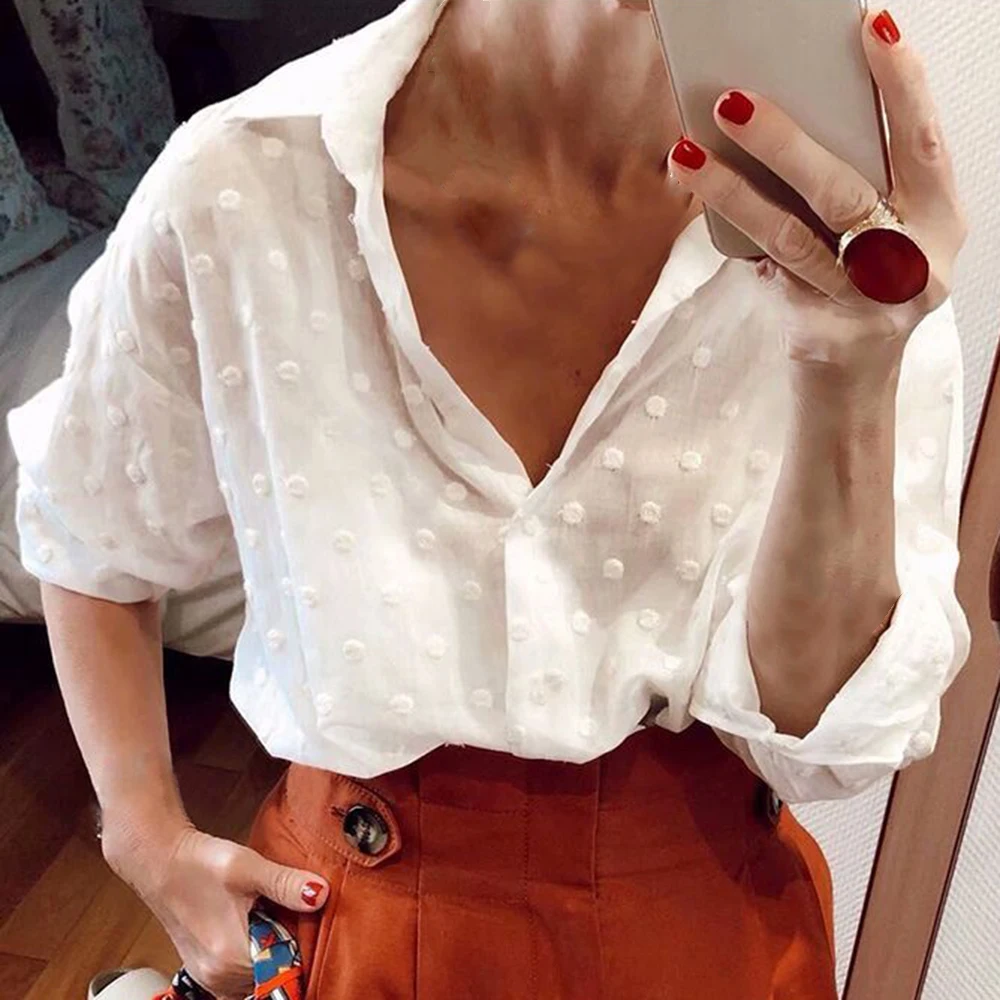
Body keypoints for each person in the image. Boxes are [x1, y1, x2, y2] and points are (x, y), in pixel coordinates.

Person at [6, 1, 970, 997]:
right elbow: (89, 523)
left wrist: (847, 371)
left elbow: (823, 742)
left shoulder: (842, 236)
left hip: (708, 931)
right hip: (355, 927)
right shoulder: (248, 178)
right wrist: (143, 835)